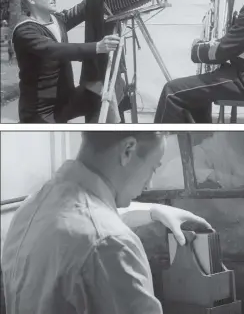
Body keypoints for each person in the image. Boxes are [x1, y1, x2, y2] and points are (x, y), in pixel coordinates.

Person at [1, 131, 213, 314]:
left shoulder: (30, 208)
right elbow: (98, 235)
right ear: (128, 150)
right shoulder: (111, 245)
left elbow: (83, 223)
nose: (148, 184)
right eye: (153, 168)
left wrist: (154, 211)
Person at [12, 0, 124, 123]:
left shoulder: (58, 19)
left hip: (66, 100)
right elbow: (55, 50)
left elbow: (88, 5)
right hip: (40, 112)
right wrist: (97, 47)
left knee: (101, 96)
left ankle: (99, 138)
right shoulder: (25, 31)